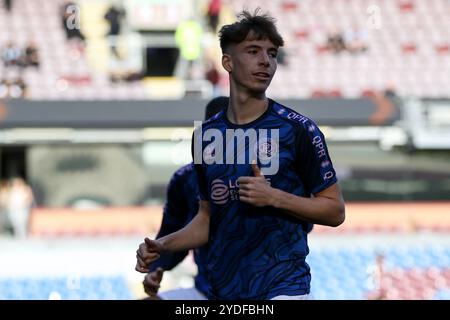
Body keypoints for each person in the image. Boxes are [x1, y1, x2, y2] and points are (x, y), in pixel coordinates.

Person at [136, 9, 345, 300]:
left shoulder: (298, 129)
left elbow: (335, 211)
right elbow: (206, 220)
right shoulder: (205, 136)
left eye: (272, 54)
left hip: (283, 290)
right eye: (253, 51)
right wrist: (164, 246)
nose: (266, 61)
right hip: (223, 292)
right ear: (227, 62)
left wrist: (274, 197)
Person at [142, 96, 229, 300]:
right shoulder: (186, 179)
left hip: (263, 292)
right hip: (206, 291)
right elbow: (173, 233)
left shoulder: (264, 174)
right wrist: (157, 267)